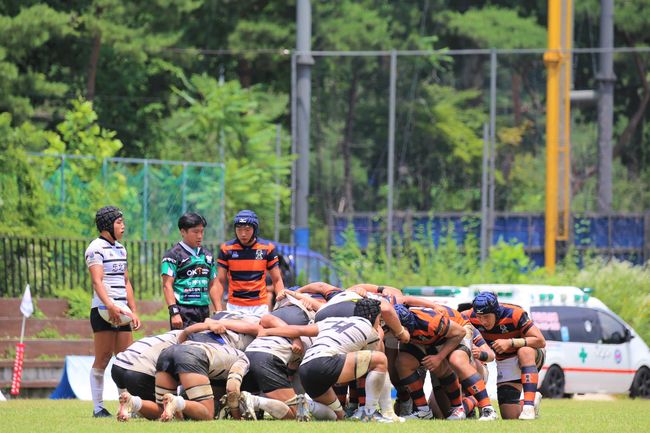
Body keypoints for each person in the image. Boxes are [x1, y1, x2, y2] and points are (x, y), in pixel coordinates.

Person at [85, 206, 141, 418]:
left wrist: (133, 310)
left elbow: (126, 281)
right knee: (103, 358)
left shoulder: (121, 249)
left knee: (126, 359)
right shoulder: (95, 248)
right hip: (103, 310)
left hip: (122, 308)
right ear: (107, 225)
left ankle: (126, 406)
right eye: (119, 222)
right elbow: (97, 281)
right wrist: (109, 305)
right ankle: (98, 408)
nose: (123, 226)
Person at [467, 292, 546, 420]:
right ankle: (532, 398)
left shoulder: (515, 313)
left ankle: (528, 406)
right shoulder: (469, 316)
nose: (483, 321)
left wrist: (511, 342)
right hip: (505, 360)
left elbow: (540, 341)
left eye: (487, 316)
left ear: (496, 312)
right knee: (510, 416)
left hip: (530, 355)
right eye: (479, 317)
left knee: (524, 351)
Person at [213, 210, 284, 316]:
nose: (243, 234)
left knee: (260, 332)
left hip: (260, 308)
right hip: (234, 307)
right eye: (239, 229)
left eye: (247, 229)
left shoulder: (267, 248)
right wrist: (218, 309)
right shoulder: (226, 249)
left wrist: (282, 305)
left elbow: (277, 279)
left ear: (255, 229)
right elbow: (220, 281)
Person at [161, 212, 219, 329]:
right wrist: (174, 312)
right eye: (195, 232)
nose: (200, 236)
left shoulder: (207, 255)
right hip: (183, 311)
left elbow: (213, 284)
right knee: (184, 346)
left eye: (202, 231)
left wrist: (219, 310)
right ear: (183, 232)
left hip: (203, 310)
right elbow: (167, 285)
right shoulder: (173, 255)